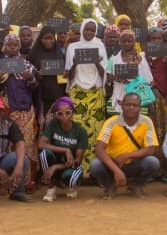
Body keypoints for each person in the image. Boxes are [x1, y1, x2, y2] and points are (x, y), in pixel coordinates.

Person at [91, 92, 160, 199]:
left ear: (140, 107)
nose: (131, 108)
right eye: (128, 104)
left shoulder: (146, 121)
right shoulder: (111, 122)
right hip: (113, 163)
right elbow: (99, 150)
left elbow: (150, 149)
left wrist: (127, 156)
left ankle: (136, 185)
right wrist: (116, 170)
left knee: (153, 162)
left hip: (134, 163)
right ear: (122, 105)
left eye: (135, 105)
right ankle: (109, 186)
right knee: (95, 165)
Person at [0, 33, 39, 187]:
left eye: (15, 45)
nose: (12, 47)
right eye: (9, 45)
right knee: (5, 143)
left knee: (26, 144)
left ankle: (25, 181)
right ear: (5, 47)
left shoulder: (27, 65)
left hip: (25, 111)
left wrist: (30, 78)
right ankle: (6, 181)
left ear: (19, 47)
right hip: (6, 110)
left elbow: (35, 88)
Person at [64, 18, 107, 168]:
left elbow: (104, 74)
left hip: (96, 92)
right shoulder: (72, 47)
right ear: (82, 29)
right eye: (87, 29)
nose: (89, 32)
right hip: (77, 93)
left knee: (96, 129)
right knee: (77, 128)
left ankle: (95, 169)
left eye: (92, 30)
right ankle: (77, 168)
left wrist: (96, 61)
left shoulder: (100, 46)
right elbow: (69, 76)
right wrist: (75, 62)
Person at [38, 96, 89, 201]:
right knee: (44, 153)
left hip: (72, 164)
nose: (64, 116)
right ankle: (51, 187)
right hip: (57, 158)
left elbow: (77, 161)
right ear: (56, 115)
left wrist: (55, 167)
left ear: (73, 113)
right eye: (60, 114)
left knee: (70, 178)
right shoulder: (53, 125)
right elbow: (41, 144)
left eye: (68, 112)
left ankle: (72, 186)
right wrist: (66, 150)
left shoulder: (80, 131)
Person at [105, 29, 153, 114]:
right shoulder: (113, 59)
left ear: (134, 42)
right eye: (124, 41)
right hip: (119, 99)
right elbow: (107, 79)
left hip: (139, 100)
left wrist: (134, 81)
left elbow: (151, 82)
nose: (126, 43)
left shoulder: (141, 59)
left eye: (129, 41)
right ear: (119, 42)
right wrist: (117, 78)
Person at [28, 25, 67, 122]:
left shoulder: (60, 54)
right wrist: (36, 74)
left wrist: (65, 73)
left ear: (55, 39)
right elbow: (27, 73)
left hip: (57, 95)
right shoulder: (33, 54)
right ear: (40, 39)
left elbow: (66, 75)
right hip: (40, 97)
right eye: (45, 38)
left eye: (51, 38)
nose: (48, 41)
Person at [145, 27, 167, 140]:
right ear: (149, 41)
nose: (156, 41)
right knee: (154, 122)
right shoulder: (144, 56)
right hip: (152, 94)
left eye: (159, 38)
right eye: (153, 38)